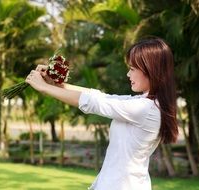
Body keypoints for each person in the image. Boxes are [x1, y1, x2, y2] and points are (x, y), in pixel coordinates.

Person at [25, 37, 178, 190]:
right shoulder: (143, 103)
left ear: (150, 70)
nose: (128, 74)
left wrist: (44, 88)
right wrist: (57, 84)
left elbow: (93, 102)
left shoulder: (145, 109)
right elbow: (100, 97)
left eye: (132, 69)